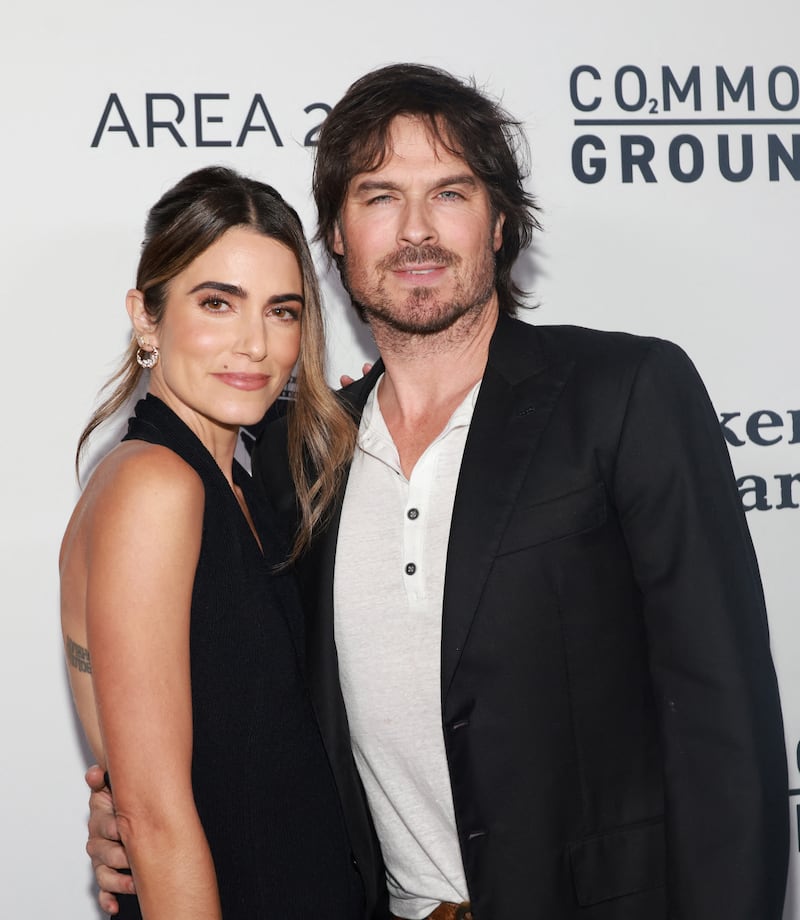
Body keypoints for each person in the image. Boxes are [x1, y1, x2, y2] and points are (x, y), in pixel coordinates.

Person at [87, 65, 789, 920]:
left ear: (499, 221)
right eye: (380, 197)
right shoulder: (292, 460)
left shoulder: (626, 392)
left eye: (449, 192)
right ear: (337, 237)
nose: (415, 230)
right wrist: (126, 806)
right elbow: (248, 708)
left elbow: (727, 732)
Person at [61, 166, 364, 920]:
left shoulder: (240, 482)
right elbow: (155, 818)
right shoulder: (155, 489)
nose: (255, 344)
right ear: (146, 316)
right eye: (217, 303)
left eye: (282, 311)